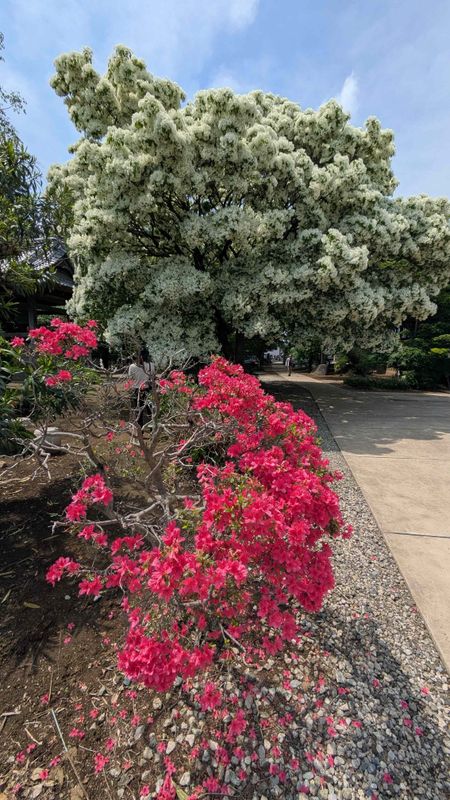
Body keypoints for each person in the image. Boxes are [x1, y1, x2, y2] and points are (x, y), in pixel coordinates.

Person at [128, 352, 151, 426]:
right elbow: (152, 376)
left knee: (146, 410)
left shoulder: (133, 366)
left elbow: (130, 378)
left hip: (142, 390)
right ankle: (143, 429)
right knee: (144, 409)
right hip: (141, 390)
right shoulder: (149, 365)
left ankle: (148, 429)